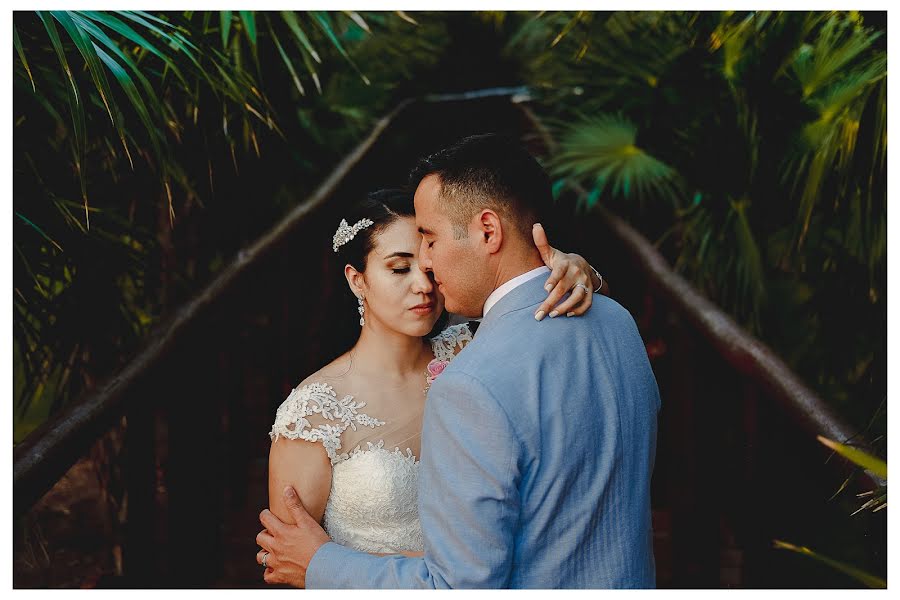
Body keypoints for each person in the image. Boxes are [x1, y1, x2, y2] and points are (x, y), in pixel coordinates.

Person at [256, 134, 660, 588]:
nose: (426, 272)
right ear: (357, 279)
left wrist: (322, 565)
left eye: (429, 242)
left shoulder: (471, 367)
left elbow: (459, 585)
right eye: (400, 264)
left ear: (488, 231)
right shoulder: (617, 322)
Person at [264, 187, 605, 560]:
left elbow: (567, 333)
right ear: (356, 279)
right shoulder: (313, 413)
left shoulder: (476, 349)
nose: (423, 286)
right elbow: (288, 563)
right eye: (399, 269)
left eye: (430, 269)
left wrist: (580, 271)